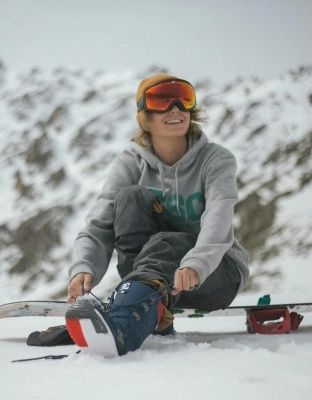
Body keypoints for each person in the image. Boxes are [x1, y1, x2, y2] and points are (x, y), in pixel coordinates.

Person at [64, 74, 250, 357]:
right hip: (155, 282)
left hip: (214, 274)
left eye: (183, 99)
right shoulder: (131, 162)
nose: (175, 108)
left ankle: (125, 327)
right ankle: (140, 307)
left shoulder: (216, 159)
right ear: (145, 117)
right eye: (161, 100)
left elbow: (218, 219)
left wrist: (196, 264)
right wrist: (83, 267)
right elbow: (100, 223)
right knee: (130, 197)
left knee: (170, 240)